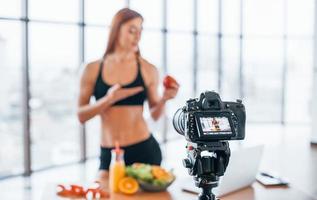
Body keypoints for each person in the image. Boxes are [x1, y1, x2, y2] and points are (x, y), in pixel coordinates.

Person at [77, 8, 179, 178]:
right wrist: (108, 100)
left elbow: (154, 115)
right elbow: (81, 115)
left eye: (140, 31)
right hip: (109, 153)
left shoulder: (148, 69)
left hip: (144, 150)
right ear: (116, 30)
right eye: (132, 30)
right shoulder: (92, 69)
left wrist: (164, 99)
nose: (137, 36)